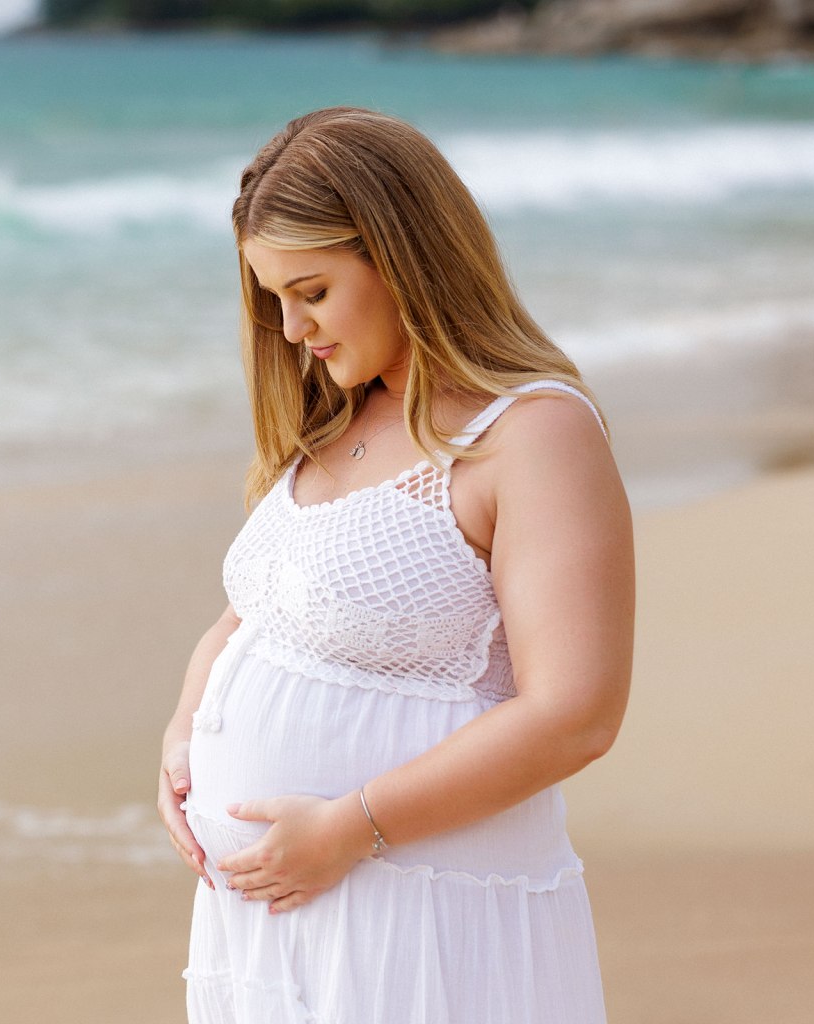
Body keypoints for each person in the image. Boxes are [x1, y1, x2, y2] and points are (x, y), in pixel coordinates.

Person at [155, 107, 635, 1024]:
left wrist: (348, 829)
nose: (292, 329)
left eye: (313, 292)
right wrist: (185, 734)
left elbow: (576, 716)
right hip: (276, 919)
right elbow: (253, 615)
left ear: (403, 257)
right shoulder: (333, 422)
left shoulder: (531, 435)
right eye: (272, 301)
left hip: (423, 923)